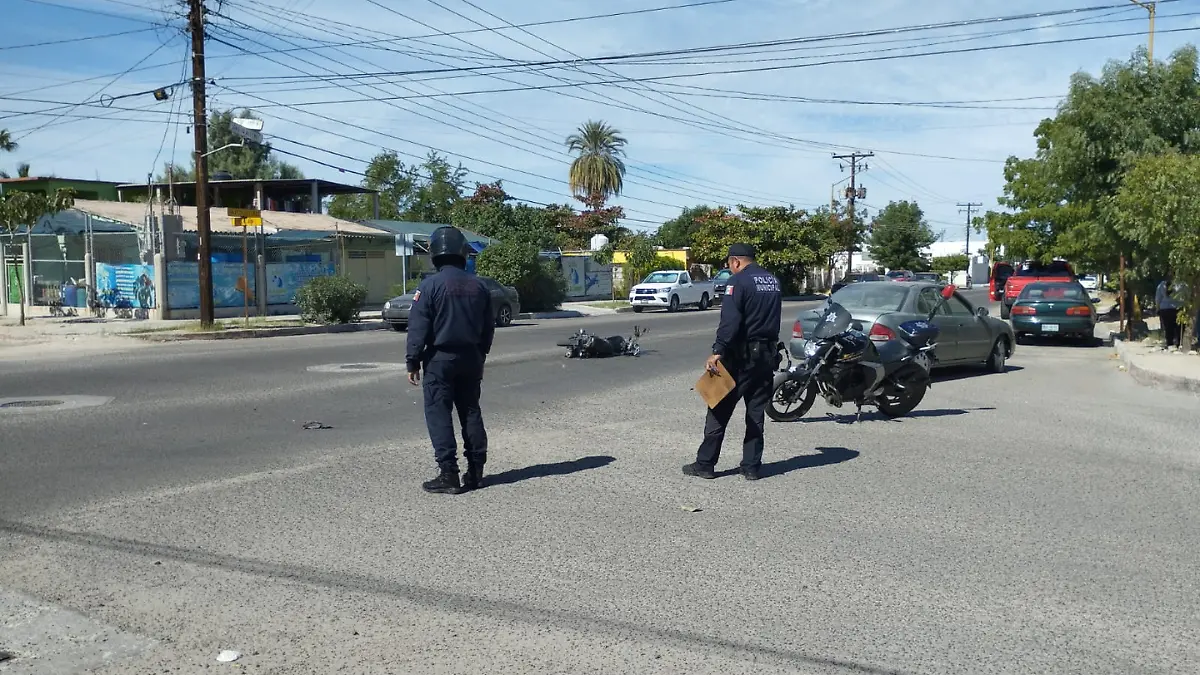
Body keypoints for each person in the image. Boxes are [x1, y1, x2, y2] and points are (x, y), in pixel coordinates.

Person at [406, 226, 495, 494]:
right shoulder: (479, 286)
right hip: (472, 357)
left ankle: (449, 474)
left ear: (435, 254)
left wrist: (412, 360)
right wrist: (481, 353)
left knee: (439, 413)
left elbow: (418, 327)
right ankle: (476, 472)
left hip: (440, 359)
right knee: (470, 411)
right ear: (462, 253)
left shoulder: (429, 286)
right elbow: (488, 326)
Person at [683, 243, 782, 481]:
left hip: (740, 357)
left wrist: (718, 351)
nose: (730, 268)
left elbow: (730, 321)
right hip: (766, 356)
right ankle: (751, 467)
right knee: (756, 413)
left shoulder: (737, 282)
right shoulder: (773, 281)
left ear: (735, 261)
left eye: (729, 263)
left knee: (718, 408)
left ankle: (705, 464)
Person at [1155, 277, 1182, 350]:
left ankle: (1170, 344)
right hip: (1177, 308)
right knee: (1178, 328)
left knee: (1168, 328)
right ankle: (1179, 344)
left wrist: (1158, 309)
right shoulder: (1181, 284)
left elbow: (1158, 299)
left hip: (1165, 309)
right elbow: (1186, 296)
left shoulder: (1161, 285)